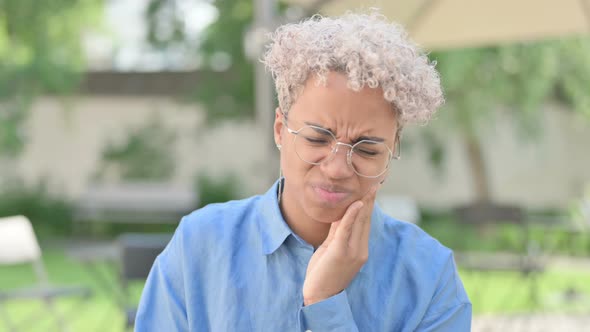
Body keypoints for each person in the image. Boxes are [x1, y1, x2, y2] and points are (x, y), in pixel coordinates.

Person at [135, 11, 471, 331]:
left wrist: (325, 304)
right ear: (280, 130)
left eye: (367, 149)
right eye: (317, 138)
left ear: (392, 150)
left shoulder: (429, 277)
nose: (337, 168)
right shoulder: (199, 247)